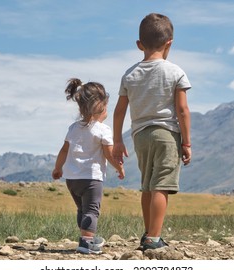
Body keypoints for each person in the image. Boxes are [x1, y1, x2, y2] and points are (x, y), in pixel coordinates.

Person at [113, 13, 192, 251]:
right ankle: (154, 239)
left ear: (139, 45)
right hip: (166, 134)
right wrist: (186, 143)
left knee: (147, 186)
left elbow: (119, 112)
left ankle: (148, 233)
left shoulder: (130, 74)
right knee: (161, 186)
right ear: (170, 43)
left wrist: (117, 141)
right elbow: (182, 110)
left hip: (140, 136)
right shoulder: (175, 72)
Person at [52, 78, 125, 254]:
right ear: (100, 106)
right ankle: (86, 242)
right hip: (92, 178)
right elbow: (109, 153)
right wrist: (119, 167)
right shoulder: (103, 129)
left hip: (72, 179)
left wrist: (58, 168)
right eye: (106, 104)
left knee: (82, 209)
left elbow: (64, 150)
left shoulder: (73, 128)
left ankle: (87, 238)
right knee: (92, 210)